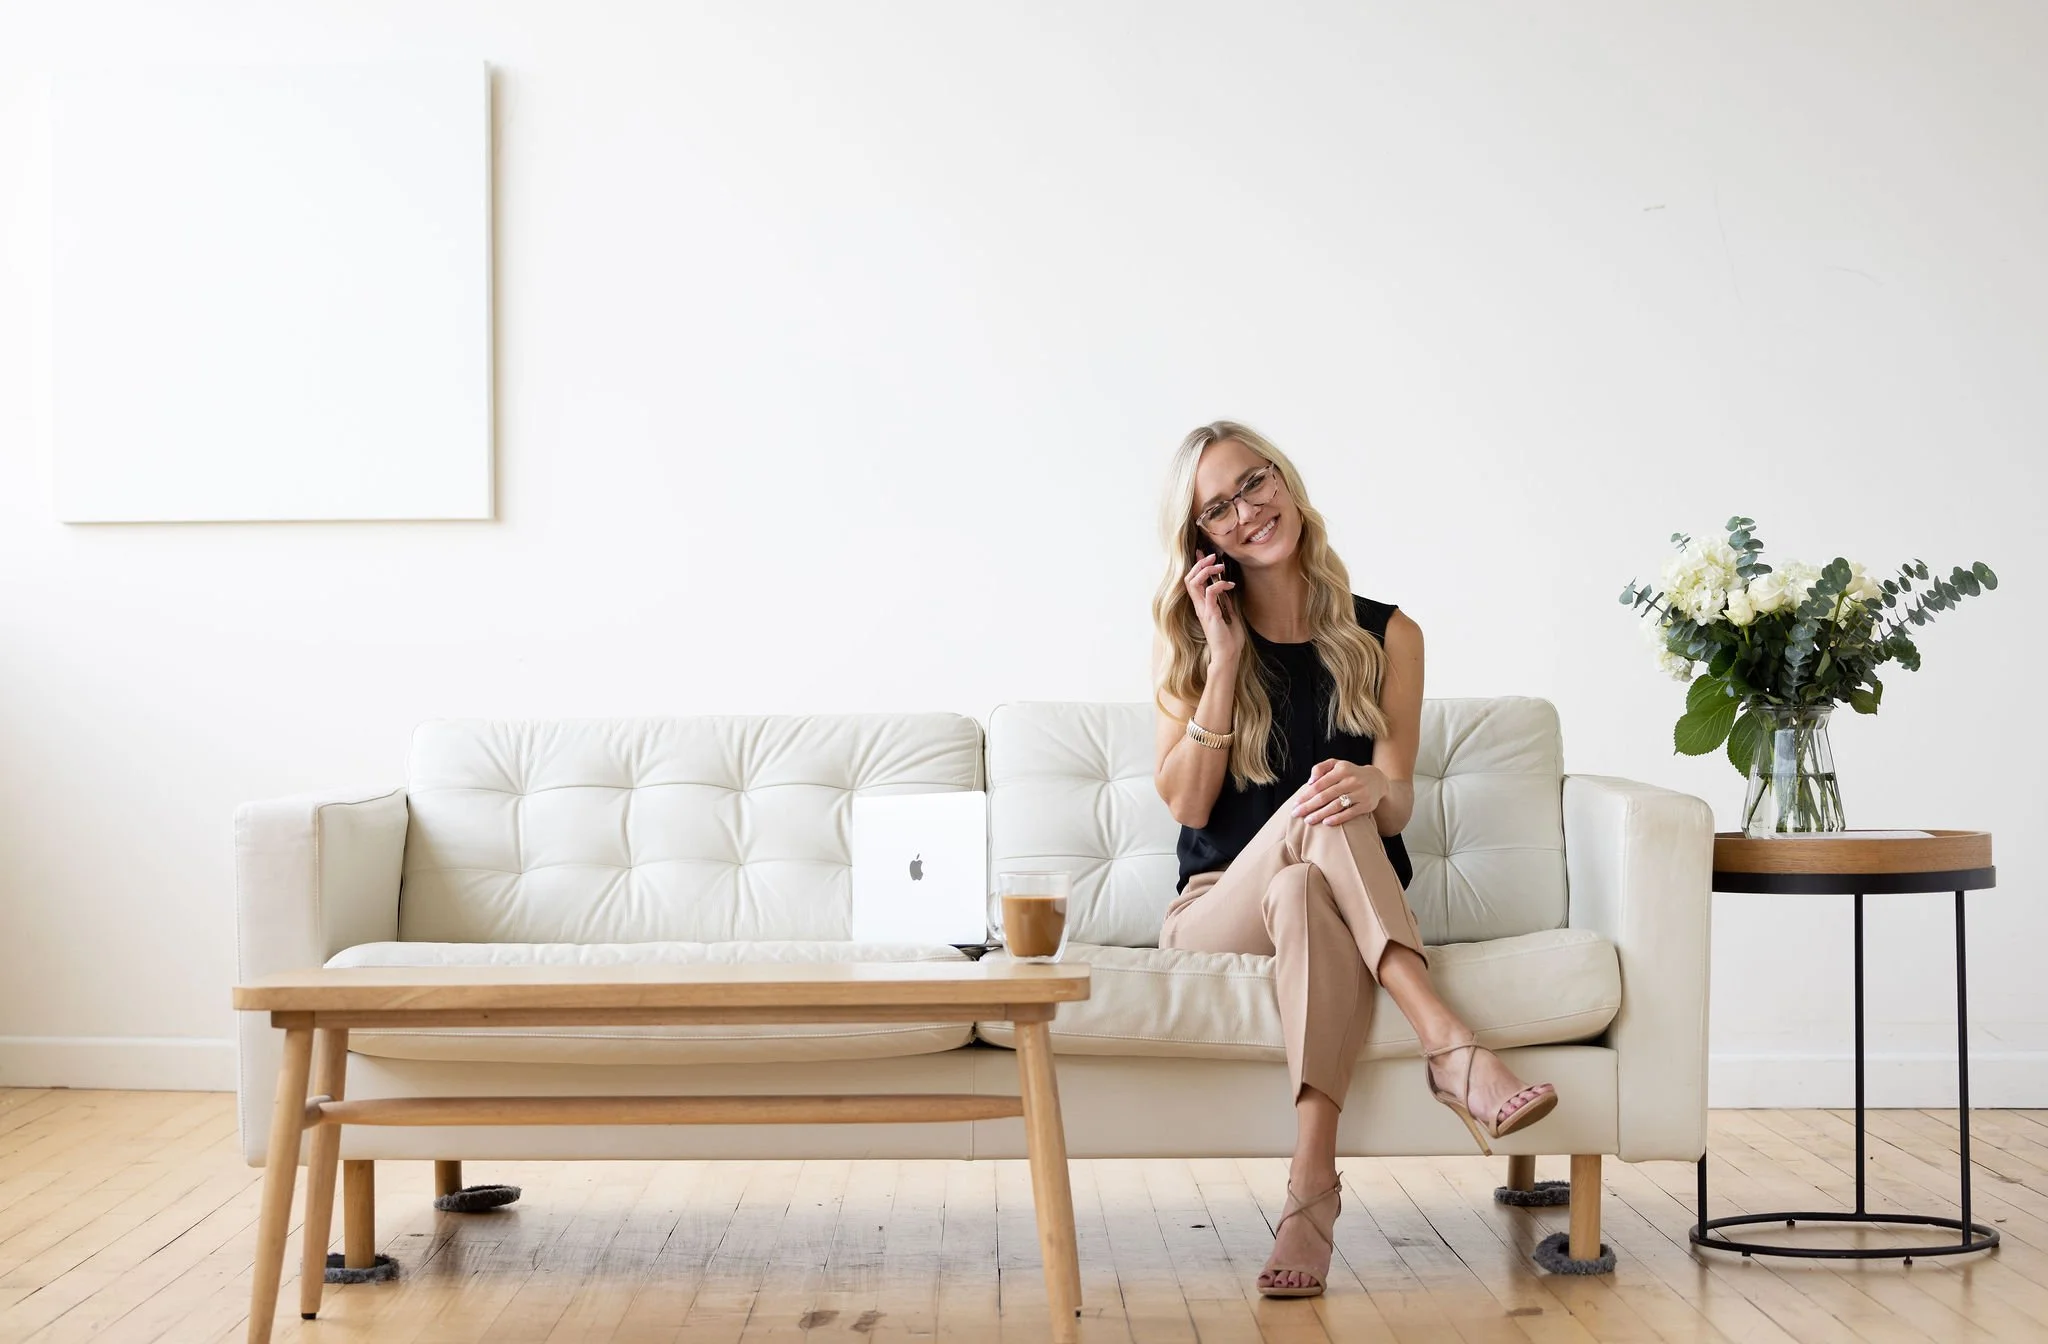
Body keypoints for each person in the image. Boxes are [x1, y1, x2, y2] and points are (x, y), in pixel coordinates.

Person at [1150, 421, 1557, 1298]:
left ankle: (1310, 1194)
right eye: (1218, 509)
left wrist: (1376, 790)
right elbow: (1186, 803)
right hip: (1218, 909)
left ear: (1284, 478)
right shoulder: (1192, 641)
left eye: (1253, 483)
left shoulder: (1388, 635)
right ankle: (1448, 1044)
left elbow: (1400, 796)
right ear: (1204, 543)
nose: (1248, 511)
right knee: (1314, 810)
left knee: (1311, 864)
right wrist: (1223, 660)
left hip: (1321, 906)